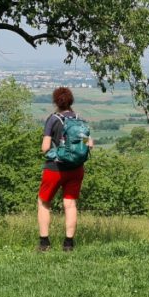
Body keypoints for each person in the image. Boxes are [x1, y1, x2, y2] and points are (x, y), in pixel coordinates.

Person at [37, 86, 93, 252]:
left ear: (56, 101)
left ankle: (44, 243)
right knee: (70, 204)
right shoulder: (79, 119)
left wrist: (57, 150)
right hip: (76, 168)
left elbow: (45, 147)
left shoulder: (53, 119)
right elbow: (88, 144)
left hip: (55, 168)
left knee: (44, 202)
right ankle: (68, 244)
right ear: (71, 101)